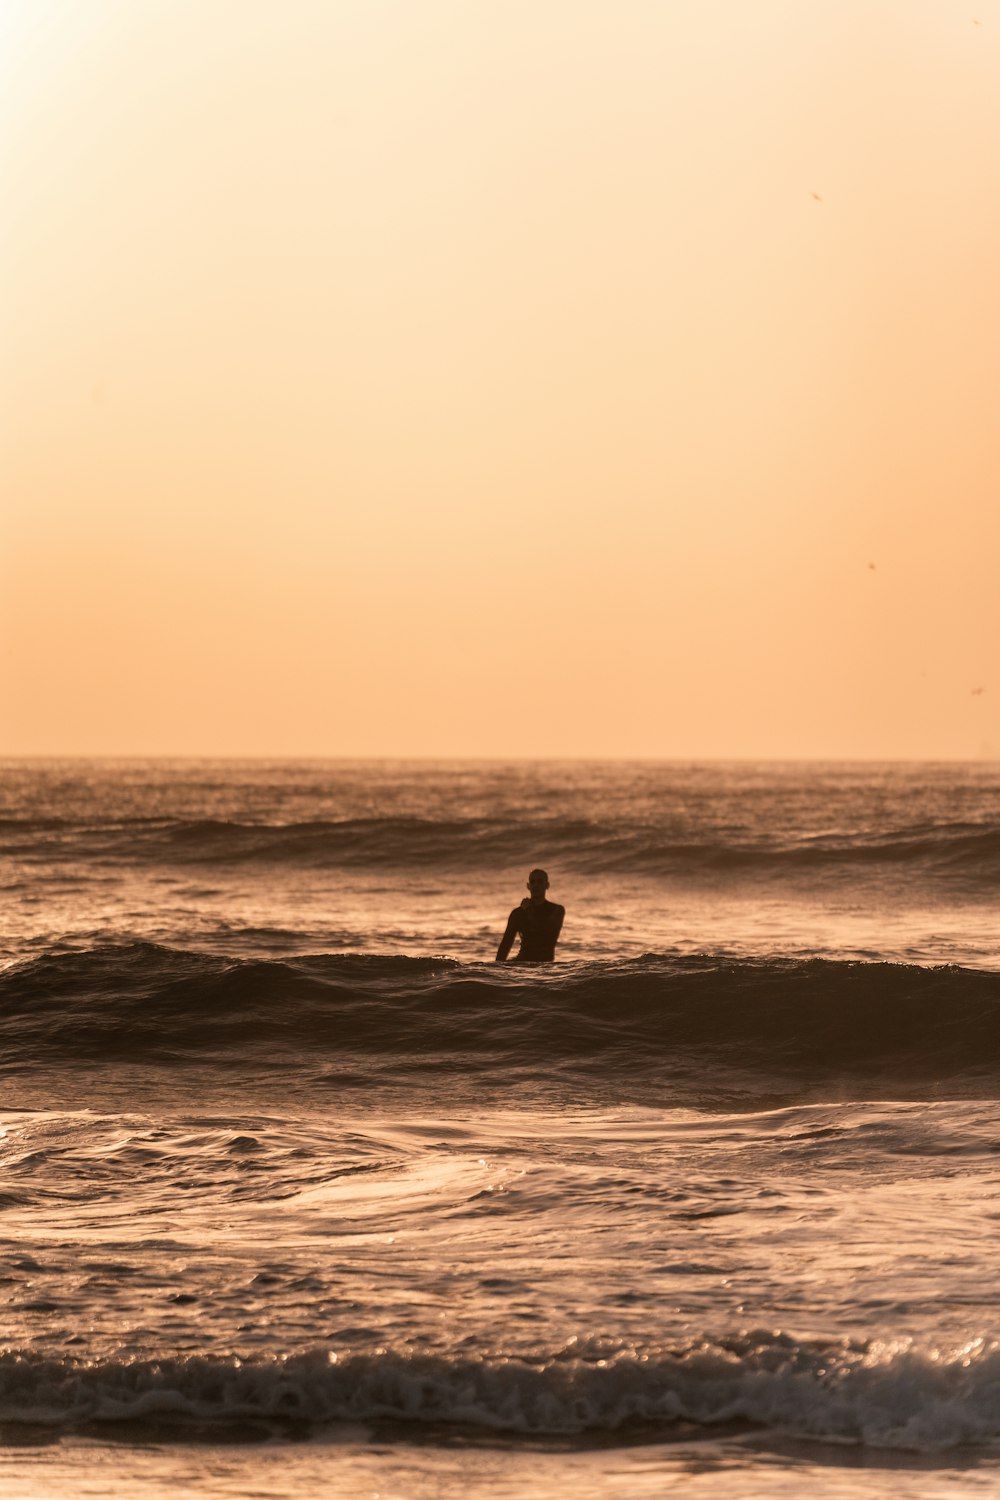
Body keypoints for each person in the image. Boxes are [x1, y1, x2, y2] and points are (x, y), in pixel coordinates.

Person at [495, 869, 564, 963]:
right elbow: (505, 944)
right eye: (532, 882)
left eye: (540, 881)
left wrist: (529, 910)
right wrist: (497, 970)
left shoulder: (556, 910)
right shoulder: (518, 913)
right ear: (528, 886)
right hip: (522, 964)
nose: (536, 885)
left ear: (547, 885)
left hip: (545, 965)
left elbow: (544, 931)